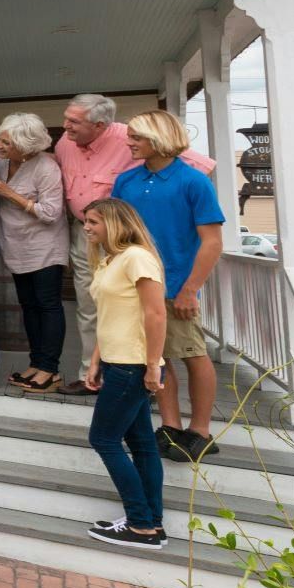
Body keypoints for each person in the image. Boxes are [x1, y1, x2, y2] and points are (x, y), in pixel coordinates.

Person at [52, 93, 217, 395]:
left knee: (159, 330)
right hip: (94, 236)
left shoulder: (133, 140)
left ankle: (151, 391)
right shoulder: (66, 145)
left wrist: (171, 212)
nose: (66, 127)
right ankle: (97, 374)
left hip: (146, 254)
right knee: (95, 304)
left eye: (73, 121)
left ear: (100, 124)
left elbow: (196, 166)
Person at [110, 110, 226, 463]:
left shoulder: (194, 182)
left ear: (158, 140)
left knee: (192, 354)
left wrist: (191, 288)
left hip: (176, 286)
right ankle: (171, 426)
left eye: (136, 138)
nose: (128, 143)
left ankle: (201, 431)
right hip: (135, 285)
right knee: (157, 359)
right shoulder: (126, 181)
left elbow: (212, 242)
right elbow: (116, 234)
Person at [80, 198, 168, 550]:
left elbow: (155, 314)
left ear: (114, 223)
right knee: (142, 443)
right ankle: (151, 523)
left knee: (103, 439)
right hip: (117, 360)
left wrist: (152, 365)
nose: (86, 228)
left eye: (93, 222)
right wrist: (96, 359)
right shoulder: (108, 260)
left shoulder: (137, 257)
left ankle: (140, 523)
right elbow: (110, 314)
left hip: (134, 364)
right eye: (85, 222)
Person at [0, 113, 69, 393]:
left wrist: (10, 194)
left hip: (45, 247)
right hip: (15, 245)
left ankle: (50, 369)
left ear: (26, 145)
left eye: (6, 141)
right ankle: (36, 363)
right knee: (29, 306)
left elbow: (51, 213)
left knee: (47, 305)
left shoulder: (46, 167)